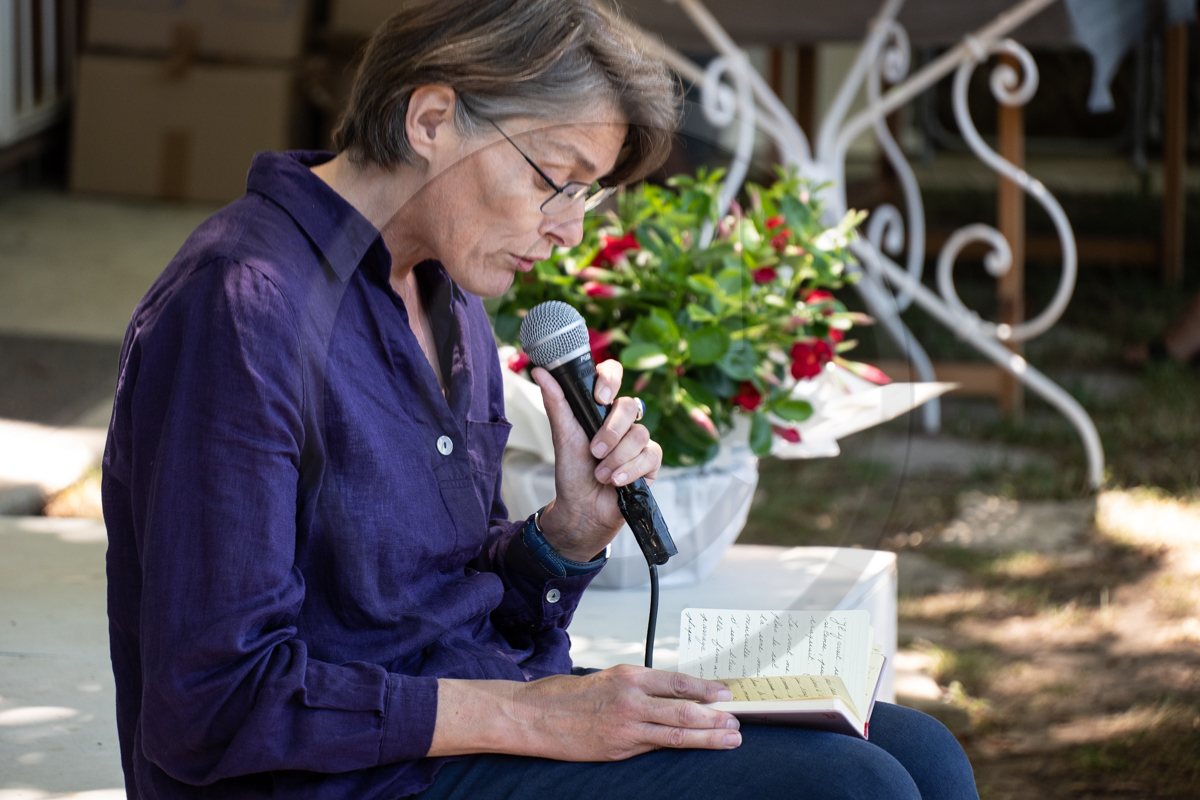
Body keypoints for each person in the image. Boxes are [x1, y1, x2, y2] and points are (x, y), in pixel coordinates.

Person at [101, 1, 979, 798]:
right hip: (333, 779)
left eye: (586, 195)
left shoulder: (448, 296)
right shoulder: (241, 304)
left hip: (460, 733)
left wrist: (564, 537)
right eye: (555, 179)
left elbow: (420, 593)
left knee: (918, 751)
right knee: (847, 788)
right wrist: (535, 717)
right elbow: (210, 701)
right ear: (432, 119)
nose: (570, 229)